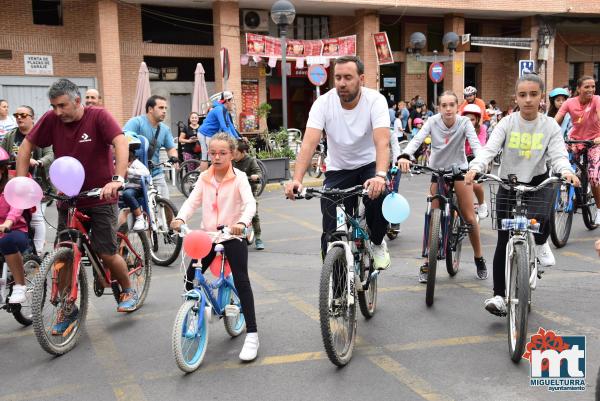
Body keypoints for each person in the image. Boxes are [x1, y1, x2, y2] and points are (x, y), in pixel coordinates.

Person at [16, 78, 139, 321]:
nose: (57, 112)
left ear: (77, 101)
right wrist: (21, 182)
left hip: (101, 196)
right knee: (64, 254)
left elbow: (120, 141)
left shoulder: (98, 116)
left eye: (62, 106)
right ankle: (66, 307)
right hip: (69, 198)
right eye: (53, 106)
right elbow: (26, 145)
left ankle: (128, 289)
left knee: (106, 252)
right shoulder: (52, 120)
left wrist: (117, 178)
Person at [465, 73, 580, 316]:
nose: (528, 100)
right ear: (516, 97)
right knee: (503, 239)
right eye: (522, 94)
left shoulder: (549, 125)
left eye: (533, 94)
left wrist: (567, 171)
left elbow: (558, 155)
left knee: (543, 216)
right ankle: (498, 295)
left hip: (538, 182)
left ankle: (539, 244)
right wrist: (476, 167)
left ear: (541, 98)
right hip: (508, 183)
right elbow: (490, 149)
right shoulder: (507, 123)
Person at [284, 55, 391, 269]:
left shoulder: (375, 100)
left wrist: (380, 175)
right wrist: (296, 179)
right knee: (331, 232)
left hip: (369, 165)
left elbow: (382, 142)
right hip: (338, 169)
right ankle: (337, 289)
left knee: (379, 200)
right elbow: (308, 143)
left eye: (348, 77)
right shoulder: (323, 103)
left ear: (361, 78)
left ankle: (378, 242)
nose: (342, 83)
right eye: (338, 77)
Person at [171, 133, 259, 362]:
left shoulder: (239, 178)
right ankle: (192, 314)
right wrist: (180, 219)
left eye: (223, 153)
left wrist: (241, 223)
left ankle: (252, 334)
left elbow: (250, 204)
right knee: (191, 276)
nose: (217, 157)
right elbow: (192, 202)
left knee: (242, 279)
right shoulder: (204, 177)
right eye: (213, 153)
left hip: (232, 235)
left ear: (232, 154)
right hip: (208, 236)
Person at [398, 90, 487, 283]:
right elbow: (417, 139)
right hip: (437, 171)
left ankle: (479, 258)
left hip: (460, 171)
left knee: (469, 217)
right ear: (439, 108)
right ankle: (427, 263)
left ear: (457, 107)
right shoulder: (432, 121)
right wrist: (406, 155)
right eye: (444, 105)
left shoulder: (464, 123)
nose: (448, 109)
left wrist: (479, 163)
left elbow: (476, 145)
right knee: (432, 217)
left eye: (451, 105)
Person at [1, 105, 54, 253]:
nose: (19, 118)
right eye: (16, 115)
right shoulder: (10, 135)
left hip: (35, 183)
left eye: (23, 115)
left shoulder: (41, 135)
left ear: (32, 118)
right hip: (13, 182)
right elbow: (3, 153)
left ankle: (38, 252)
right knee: (15, 215)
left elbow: (50, 154)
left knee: (36, 218)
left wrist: (39, 162)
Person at [555, 76, 600, 224]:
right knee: (561, 166)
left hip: (595, 141)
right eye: (587, 87)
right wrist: (551, 136)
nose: (591, 90)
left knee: (594, 177)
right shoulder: (569, 103)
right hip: (575, 140)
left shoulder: (596, 100)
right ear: (578, 89)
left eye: (593, 86)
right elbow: (557, 121)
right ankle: (573, 187)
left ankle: (599, 209)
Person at [124, 95, 179, 199]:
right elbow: (123, 140)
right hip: (135, 173)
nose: (164, 111)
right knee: (132, 206)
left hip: (156, 172)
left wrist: (174, 158)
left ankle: (169, 216)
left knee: (166, 203)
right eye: (161, 108)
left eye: (165, 108)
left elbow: (171, 148)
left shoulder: (165, 129)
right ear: (150, 109)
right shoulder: (136, 122)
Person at [0, 147, 31, 304]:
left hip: (15, 229)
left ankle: (20, 285)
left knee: (7, 241)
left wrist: (8, 222)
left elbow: (16, 207)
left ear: (3, 170)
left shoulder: (12, 185)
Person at [233, 140, 264, 250]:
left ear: (243, 152)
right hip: (234, 191)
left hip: (250, 190)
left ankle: (258, 238)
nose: (233, 156)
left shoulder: (251, 161)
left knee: (254, 214)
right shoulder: (231, 161)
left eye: (236, 154)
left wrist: (255, 176)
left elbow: (259, 173)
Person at [461, 103, 489, 219]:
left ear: (477, 119)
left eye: (472, 119)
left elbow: (480, 145)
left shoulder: (482, 129)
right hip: (461, 158)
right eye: (467, 119)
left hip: (476, 158)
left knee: (476, 186)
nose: (469, 122)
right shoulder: (459, 128)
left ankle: (482, 204)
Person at [121, 133, 150, 232]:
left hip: (136, 187)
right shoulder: (118, 163)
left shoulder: (135, 163)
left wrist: (130, 171)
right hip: (124, 186)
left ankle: (139, 217)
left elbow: (146, 173)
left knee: (127, 194)